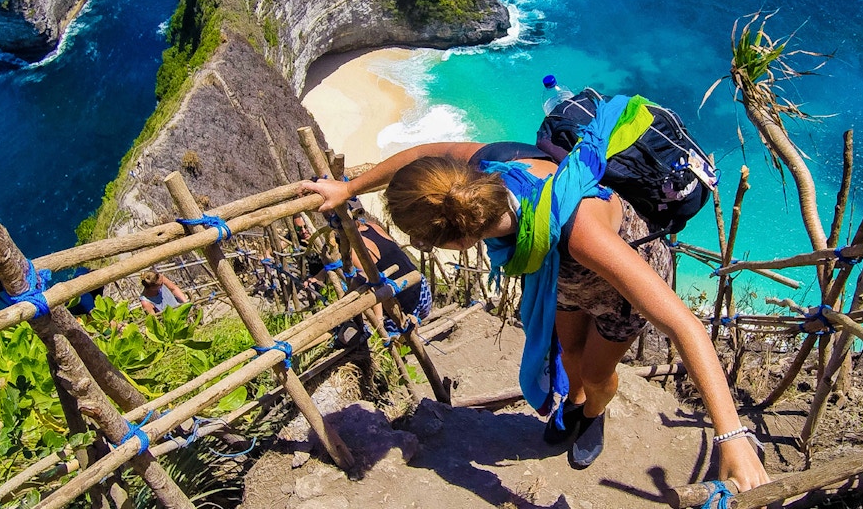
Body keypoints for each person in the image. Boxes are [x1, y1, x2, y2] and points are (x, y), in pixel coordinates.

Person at [300, 135, 769, 490]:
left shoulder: (578, 230)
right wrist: (350, 188)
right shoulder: (483, 172)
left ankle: (593, 414)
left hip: (618, 286)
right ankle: (577, 403)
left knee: (595, 368)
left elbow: (683, 324)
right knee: (567, 352)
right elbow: (423, 154)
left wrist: (732, 438)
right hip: (564, 279)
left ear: (461, 242)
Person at [349, 208, 432, 334]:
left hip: (403, 304)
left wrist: (379, 319)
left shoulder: (357, 250)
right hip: (423, 291)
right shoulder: (374, 227)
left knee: (396, 336)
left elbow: (373, 285)